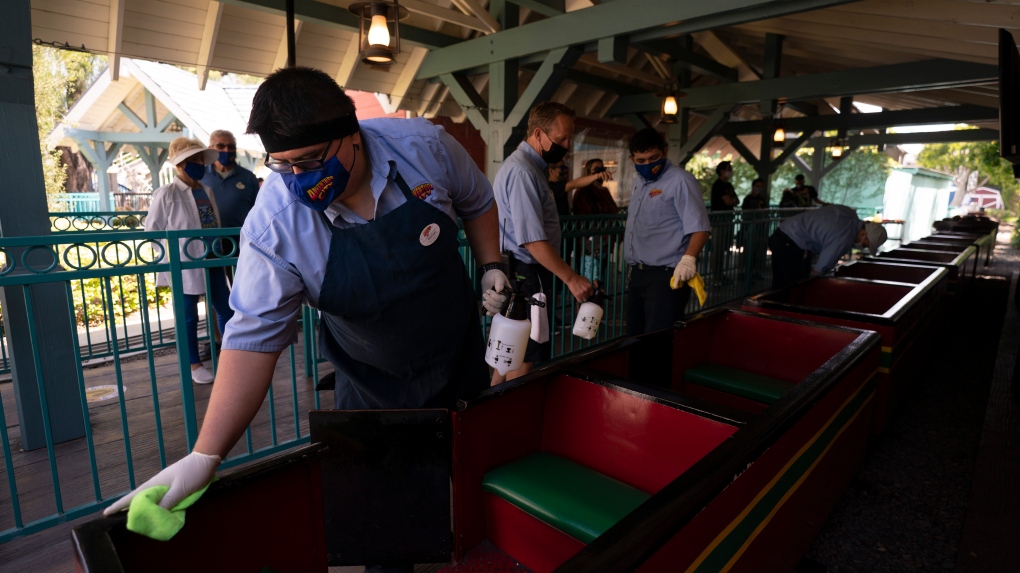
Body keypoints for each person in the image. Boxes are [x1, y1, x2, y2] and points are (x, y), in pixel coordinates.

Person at [104, 67, 507, 573]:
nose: (300, 179)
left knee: (480, 498)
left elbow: (478, 200)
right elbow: (250, 340)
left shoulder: (425, 147)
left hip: (461, 359)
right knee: (382, 528)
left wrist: (491, 263)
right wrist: (205, 457)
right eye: (283, 165)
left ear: (352, 134)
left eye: (312, 161)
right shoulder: (274, 225)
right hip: (369, 385)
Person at [492, 101, 594, 384]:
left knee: (507, 353)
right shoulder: (524, 171)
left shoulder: (531, 167)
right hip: (528, 276)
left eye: (569, 138)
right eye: (561, 138)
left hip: (520, 272)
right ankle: (508, 419)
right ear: (538, 134)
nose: (567, 145)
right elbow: (533, 241)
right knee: (525, 355)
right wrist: (571, 279)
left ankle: (489, 417)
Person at [146, 137, 235, 384]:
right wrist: (170, 259)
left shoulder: (207, 190)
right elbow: (152, 231)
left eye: (199, 159)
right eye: (192, 160)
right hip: (184, 264)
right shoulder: (166, 193)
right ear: (180, 164)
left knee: (226, 309)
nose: (198, 164)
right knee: (188, 316)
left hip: (213, 259)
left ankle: (232, 357)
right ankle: (194, 364)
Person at [624, 128, 710, 335]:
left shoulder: (681, 181)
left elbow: (700, 227)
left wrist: (688, 259)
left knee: (659, 339)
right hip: (638, 273)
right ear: (632, 159)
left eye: (653, 158)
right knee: (634, 337)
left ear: (664, 151)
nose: (648, 165)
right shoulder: (638, 182)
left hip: (667, 276)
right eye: (641, 160)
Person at [768, 204, 887, 288]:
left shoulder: (848, 213)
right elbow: (821, 268)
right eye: (866, 244)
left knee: (781, 282)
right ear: (863, 233)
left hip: (785, 233)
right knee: (791, 287)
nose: (863, 247)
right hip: (790, 242)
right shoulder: (845, 238)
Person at [572, 158, 619, 287]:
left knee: (599, 278)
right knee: (590, 279)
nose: (601, 173)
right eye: (596, 170)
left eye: (602, 169)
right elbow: (583, 218)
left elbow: (613, 211)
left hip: (604, 241)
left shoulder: (603, 191)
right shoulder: (583, 191)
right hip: (591, 244)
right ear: (588, 172)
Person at [709, 161, 739, 285]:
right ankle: (716, 276)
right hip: (720, 221)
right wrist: (731, 200)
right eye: (728, 168)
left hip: (728, 220)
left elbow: (736, 201)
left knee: (724, 248)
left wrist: (731, 200)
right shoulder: (718, 185)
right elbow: (729, 202)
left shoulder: (729, 185)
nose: (730, 171)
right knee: (718, 248)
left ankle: (720, 274)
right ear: (721, 171)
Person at [741, 179, 769, 278]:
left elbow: (766, 211)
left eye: (761, 186)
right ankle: (745, 271)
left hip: (760, 228)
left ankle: (755, 272)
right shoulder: (747, 199)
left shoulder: (762, 199)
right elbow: (745, 212)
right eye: (758, 186)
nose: (759, 188)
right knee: (749, 250)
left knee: (758, 250)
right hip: (750, 227)